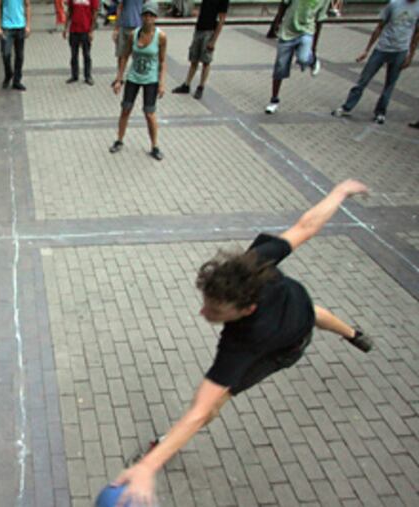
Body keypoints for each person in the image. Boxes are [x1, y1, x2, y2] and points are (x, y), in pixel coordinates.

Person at [111, 178, 373, 506]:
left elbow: (198, 411)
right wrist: (340, 191)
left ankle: (163, 445)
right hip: (301, 306)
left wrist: (149, 465)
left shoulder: (243, 342)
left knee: (217, 400)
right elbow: (306, 226)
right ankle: (353, 334)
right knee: (316, 312)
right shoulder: (253, 264)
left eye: (216, 310)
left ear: (247, 309)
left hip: (284, 348)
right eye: (207, 302)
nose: (203, 312)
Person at [332, 0, 418, 125]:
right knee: (364, 79)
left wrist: (410, 55)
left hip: (401, 50)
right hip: (383, 48)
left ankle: (380, 112)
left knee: (390, 84)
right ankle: (347, 106)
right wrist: (367, 50)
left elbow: (416, 34)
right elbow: (379, 27)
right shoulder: (394, 4)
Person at [109, 3, 166, 161]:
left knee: (149, 113)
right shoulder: (134, 34)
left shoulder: (160, 36)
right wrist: (119, 79)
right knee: (126, 109)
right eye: (145, 15)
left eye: (151, 16)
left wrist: (161, 83)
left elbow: (162, 61)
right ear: (141, 17)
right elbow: (125, 56)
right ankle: (119, 140)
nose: (148, 18)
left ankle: (154, 146)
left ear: (155, 18)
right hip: (134, 76)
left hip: (151, 79)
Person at [264, 0, 328, 114]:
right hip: (288, 30)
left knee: (303, 59)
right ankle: (274, 100)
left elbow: (319, 21)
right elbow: (284, 4)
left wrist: (314, 48)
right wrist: (277, 22)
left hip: (307, 30)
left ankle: (312, 60)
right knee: (280, 67)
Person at [171, 0, 228, 100]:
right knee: (194, 59)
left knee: (206, 61)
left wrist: (213, 40)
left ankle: (201, 87)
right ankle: (186, 85)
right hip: (199, 29)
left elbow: (222, 19)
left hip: (209, 31)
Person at [0, 0, 31, 91]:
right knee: (5, 54)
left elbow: (28, 5)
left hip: (20, 26)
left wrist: (28, 26)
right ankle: (8, 73)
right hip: (7, 27)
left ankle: (17, 80)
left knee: (19, 55)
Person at [63, 0, 99, 85]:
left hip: (86, 30)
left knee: (86, 55)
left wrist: (91, 31)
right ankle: (74, 75)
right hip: (74, 30)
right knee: (73, 55)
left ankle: (88, 76)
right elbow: (69, 11)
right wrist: (65, 28)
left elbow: (95, 13)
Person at [112, 0, 143, 82]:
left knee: (138, 53)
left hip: (138, 26)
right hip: (124, 25)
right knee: (121, 53)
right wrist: (116, 28)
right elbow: (119, 7)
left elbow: (147, 7)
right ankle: (120, 76)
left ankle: (138, 75)